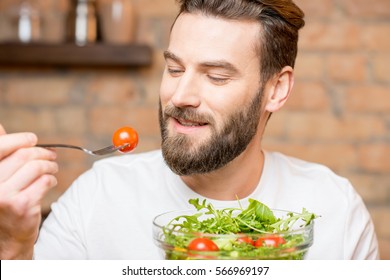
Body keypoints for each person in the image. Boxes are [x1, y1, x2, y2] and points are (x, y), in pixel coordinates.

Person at [0, 0, 379, 260]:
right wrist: (13, 247)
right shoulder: (95, 197)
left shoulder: (335, 210)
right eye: (175, 69)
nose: (179, 96)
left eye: (216, 76)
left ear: (276, 90)